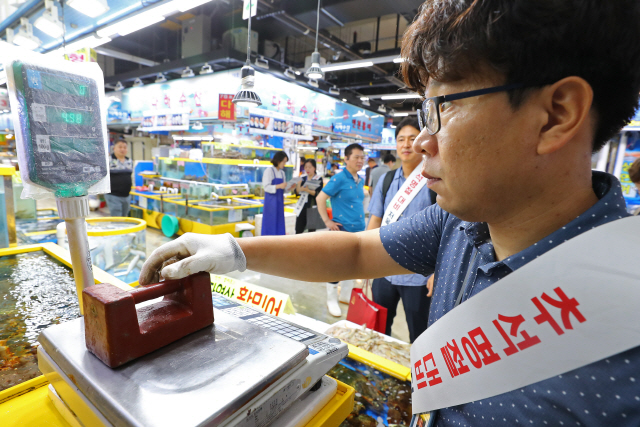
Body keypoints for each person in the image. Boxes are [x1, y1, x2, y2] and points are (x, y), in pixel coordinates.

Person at [140, 1, 640, 425]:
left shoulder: (624, 353)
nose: (422, 141)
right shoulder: (463, 224)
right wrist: (232, 250)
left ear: (556, 114)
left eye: (442, 108)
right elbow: (357, 250)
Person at [366, 116, 435, 343]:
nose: (406, 144)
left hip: (420, 277)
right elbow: (374, 222)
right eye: (401, 139)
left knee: (420, 337)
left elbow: (449, 230)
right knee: (377, 334)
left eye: (412, 138)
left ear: (422, 141)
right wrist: (364, 263)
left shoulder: (434, 180)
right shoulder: (386, 180)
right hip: (384, 271)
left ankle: (418, 378)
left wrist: (439, 271)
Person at [316, 143, 366, 316]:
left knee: (352, 266)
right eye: (356, 157)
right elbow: (320, 198)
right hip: (341, 229)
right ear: (346, 159)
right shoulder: (339, 178)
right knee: (336, 266)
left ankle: (345, 295)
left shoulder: (360, 180)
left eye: (362, 157)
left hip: (359, 230)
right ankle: (331, 299)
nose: (360, 160)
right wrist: (327, 221)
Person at [261, 151, 288, 236]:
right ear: (278, 160)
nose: (284, 164)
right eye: (283, 161)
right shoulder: (269, 171)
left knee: (279, 222)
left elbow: (283, 189)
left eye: (285, 162)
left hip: (280, 202)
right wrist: (279, 186)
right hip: (271, 203)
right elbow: (266, 187)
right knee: (270, 222)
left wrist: (289, 187)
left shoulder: (282, 173)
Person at [294, 159, 324, 234]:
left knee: (311, 231)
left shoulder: (318, 179)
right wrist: (298, 185)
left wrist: (307, 190)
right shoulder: (302, 179)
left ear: (314, 168)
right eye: (306, 167)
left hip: (312, 207)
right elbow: (296, 192)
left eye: (310, 167)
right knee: (298, 229)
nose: (307, 169)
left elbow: (318, 193)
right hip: (302, 207)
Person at [106, 138, 133, 217]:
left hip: (127, 196)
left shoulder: (129, 161)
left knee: (125, 218)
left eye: (124, 147)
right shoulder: (108, 160)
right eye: (120, 147)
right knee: (117, 219)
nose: (122, 149)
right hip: (113, 196)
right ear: (114, 148)